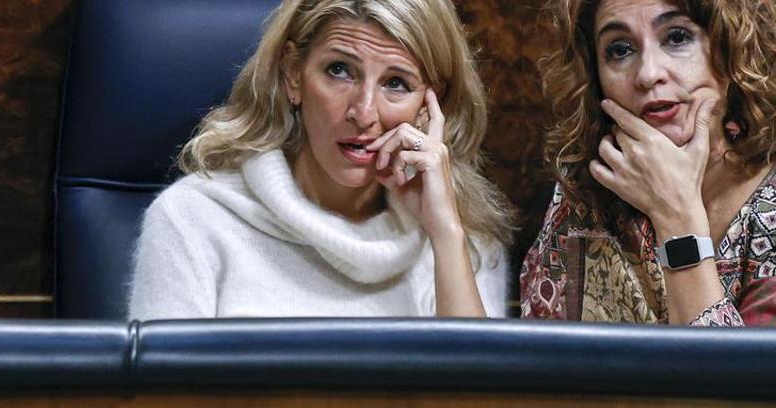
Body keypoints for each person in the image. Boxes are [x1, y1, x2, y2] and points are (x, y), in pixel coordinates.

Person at [128, 0, 514, 320]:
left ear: (432, 105)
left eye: (396, 83)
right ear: (294, 75)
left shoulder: (464, 241)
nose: (363, 113)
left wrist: (446, 236)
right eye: (340, 71)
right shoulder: (192, 220)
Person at [520, 0, 776, 327]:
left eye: (677, 37)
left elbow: (745, 396)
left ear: (731, 50)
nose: (649, 74)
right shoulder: (588, 190)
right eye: (619, 49)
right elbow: (539, 376)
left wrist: (676, 217)